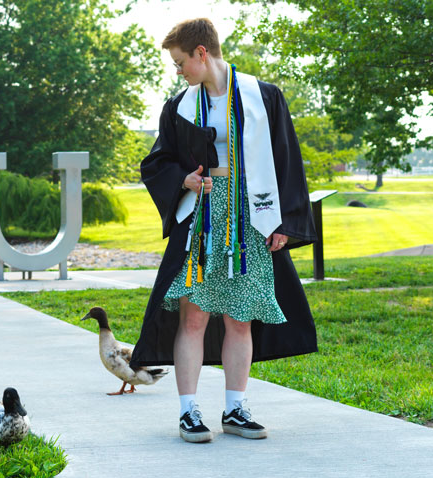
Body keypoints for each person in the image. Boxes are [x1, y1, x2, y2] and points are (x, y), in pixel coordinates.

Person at [129, 18, 318, 443]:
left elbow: (287, 159)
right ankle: (189, 412)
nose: (178, 72)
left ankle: (235, 408)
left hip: (249, 224)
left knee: (240, 320)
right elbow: (156, 163)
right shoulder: (179, 107)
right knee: (192, 320)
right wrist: (185, 180)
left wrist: (283, 221)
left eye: (180, 63)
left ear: (201, 53)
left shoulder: (263, 96)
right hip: (200, 226)